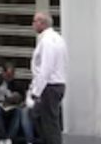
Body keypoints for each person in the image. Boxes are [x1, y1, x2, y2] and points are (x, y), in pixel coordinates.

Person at [28, 12, 68, 144]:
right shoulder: (58, 39)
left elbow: (46, 68)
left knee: (49, 124)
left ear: (42, 23)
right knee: (38, 116)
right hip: (56, 84)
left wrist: (36, 92)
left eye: (35, 21)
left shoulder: (47, 41)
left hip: (49, 86)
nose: (33, 24)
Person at [0, 62, 33, 144]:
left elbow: (22, 97)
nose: (10, 78)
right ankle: (2, 137)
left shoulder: (15, 83)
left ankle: (9, 139)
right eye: (8, 75)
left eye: (12, 75)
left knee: (18, 111)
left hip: (11, 108)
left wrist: (17, 98)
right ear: (3, 73)